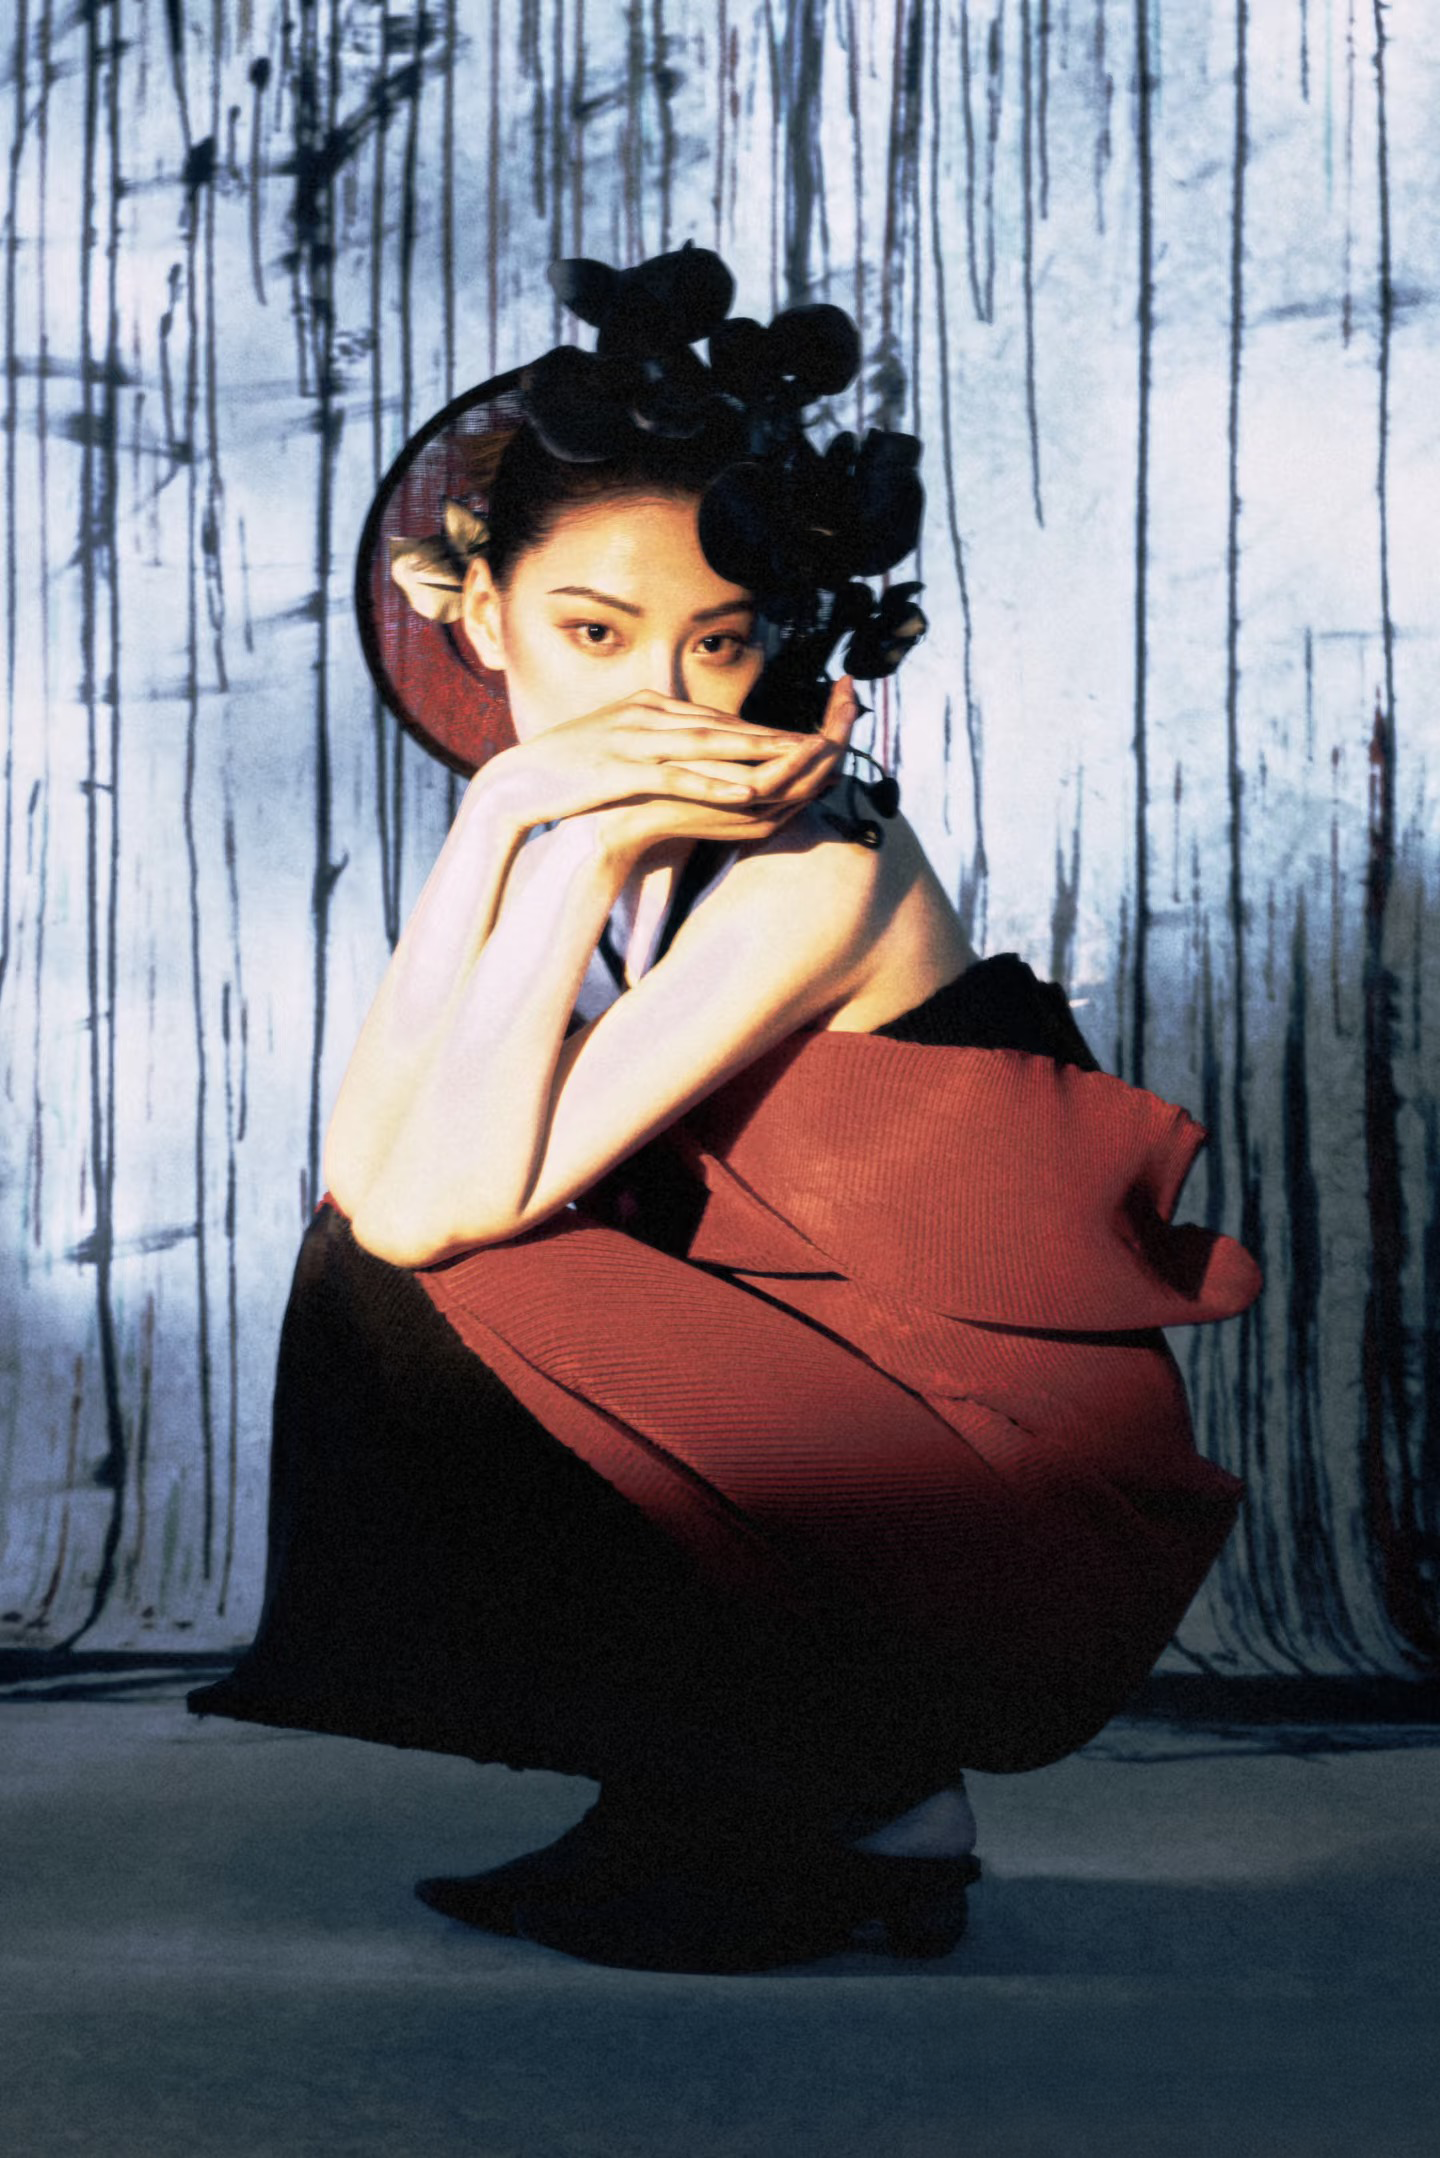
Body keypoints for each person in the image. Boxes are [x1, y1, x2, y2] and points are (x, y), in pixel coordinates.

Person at [188, 244, 1261, 1975]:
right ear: (481, 614)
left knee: (431, 1285)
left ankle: (825, 1779)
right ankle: (779, 1788)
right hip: (840, 1405)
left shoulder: (814, 866)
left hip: (1002, 1484)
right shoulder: (587, 831)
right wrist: (507, 822)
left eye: (721, 640)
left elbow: (427, 1218)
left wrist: (550, 833)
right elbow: (367, 1169)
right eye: (592, 633)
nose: (661, 700)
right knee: (385, 1262)